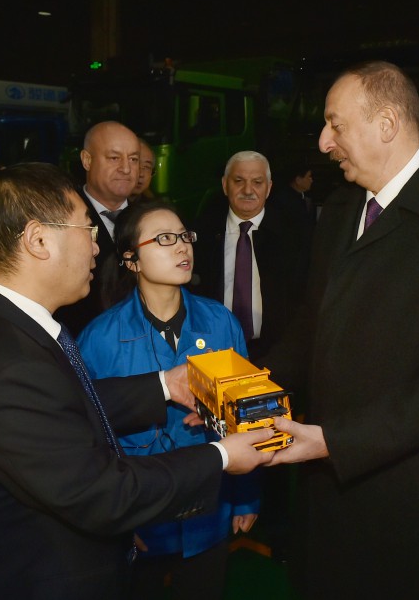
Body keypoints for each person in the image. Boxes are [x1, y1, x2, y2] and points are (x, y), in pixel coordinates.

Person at [0, 162, 273, 600]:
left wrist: (163, 384)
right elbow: (104, 493)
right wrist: (221, 456)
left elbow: (66, 406)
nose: (94, 246)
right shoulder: (11, 367)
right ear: (38, 240)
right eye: (87, 229)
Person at [262, 61, 419, 598]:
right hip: (325, 483)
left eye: (335, 124)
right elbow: (313, 323)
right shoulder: (338, 209)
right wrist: (247, 385)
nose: (324, 141)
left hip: (407, 495)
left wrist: (336, 441)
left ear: (385, 125)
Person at [78, 200, 258, 599]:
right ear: (131, 260)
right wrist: (117, 524)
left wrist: (246, 497)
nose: (182, 247)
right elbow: (90, 442)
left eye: (183, 236)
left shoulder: (221, 323)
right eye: (163, 239)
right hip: (139, 519)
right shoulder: (99, 339)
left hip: (208, 511)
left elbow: (249, 416)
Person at [192, 151, 306, 361]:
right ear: (225, 185)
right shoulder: (201, 234)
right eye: (239, 181)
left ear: (269, 188)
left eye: (257, 182)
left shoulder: (295, 237)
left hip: (275, 354)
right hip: (212, 351)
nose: (248, 190)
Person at [56, 120, 140, 335]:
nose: (126, 168)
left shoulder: (151, 219)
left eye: (133, 159)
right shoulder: (59, 216)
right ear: (86, 160)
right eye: (114, 158)